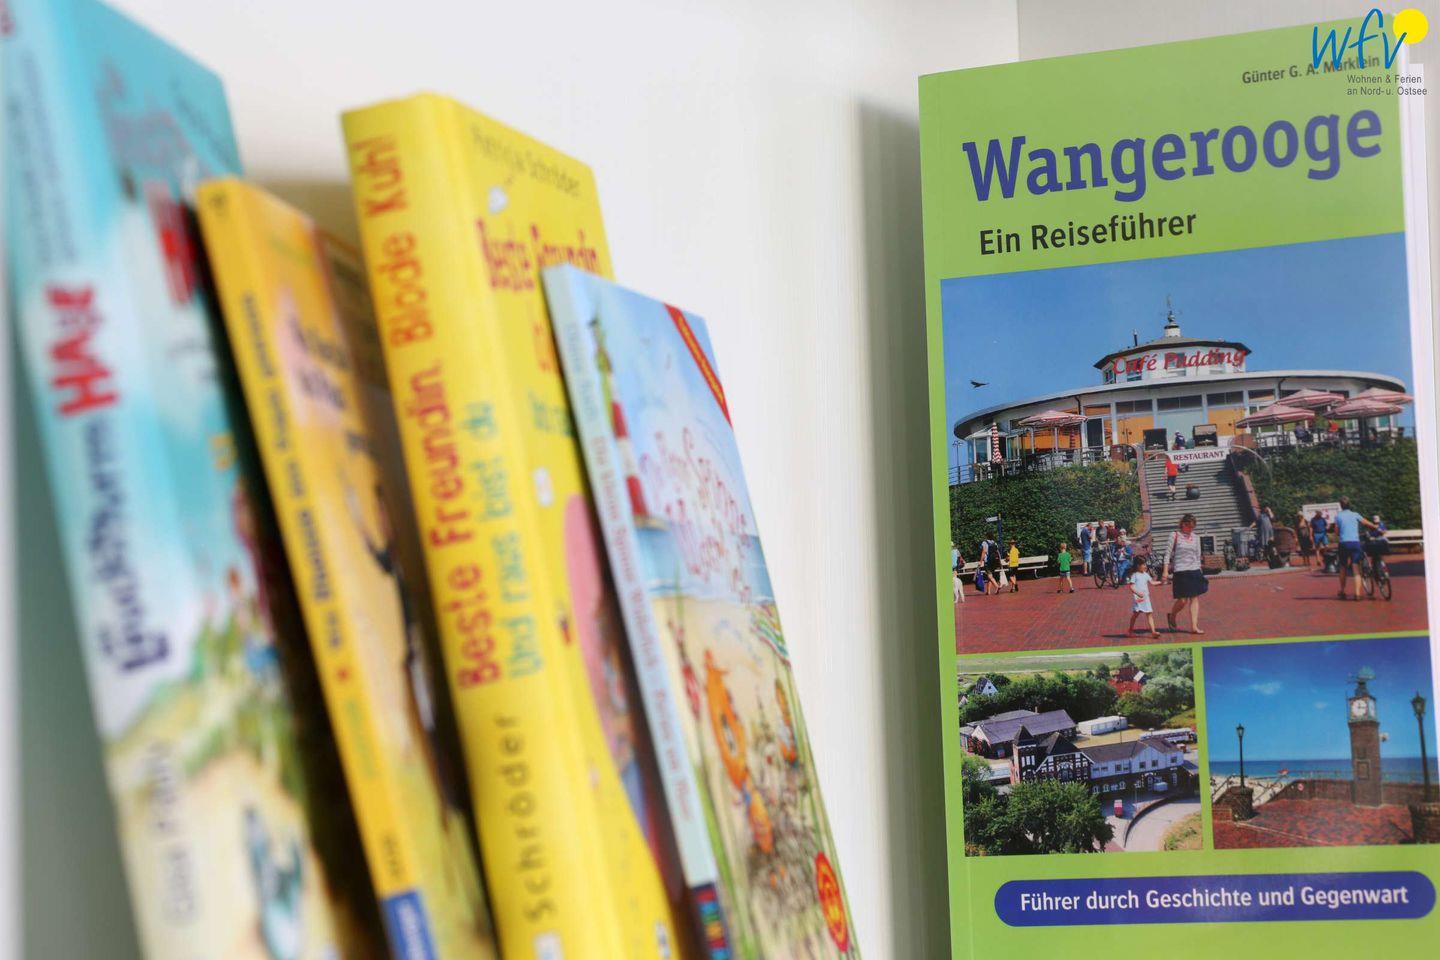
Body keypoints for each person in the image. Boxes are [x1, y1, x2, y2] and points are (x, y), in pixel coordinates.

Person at [1162, 513, 1207, 634]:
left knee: (1194, 598)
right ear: (1183, 524)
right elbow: (1167, 554)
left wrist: (1200, 571)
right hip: (1180, 571)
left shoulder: (1196, 537)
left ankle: (1194, 626)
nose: (1190, 529)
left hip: (1194, 570)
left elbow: (1197, 556)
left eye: (1193, 527)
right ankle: (1172, 616)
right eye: (1189, 526)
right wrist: (1165, 571)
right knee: (1182, 600)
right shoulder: (1175, 535)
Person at [1334, 496, 1381, 601]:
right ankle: (1357, 594)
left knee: (1343, 567)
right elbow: (1366, 522)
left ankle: (1342, 591)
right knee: (1356, 568)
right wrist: (1375, 527)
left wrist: (1342, 532)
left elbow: (1336, 532)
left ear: (1341, 505)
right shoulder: (1355, 514)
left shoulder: (1338, 516)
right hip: (1355, 543)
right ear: (1349, 504)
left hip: (1343, 543)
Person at [1128, 556, 1160, 638]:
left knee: (1149, 614)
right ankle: (1130, 630)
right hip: (1138, 599)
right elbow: (1131, 586)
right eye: (1143, 564)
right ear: (1138, 565)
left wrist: (1161, 582)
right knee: (1135, 614)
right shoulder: (1135, 575)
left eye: (1145, 564)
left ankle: (1153, 632)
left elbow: (1152, 583)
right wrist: (1137, 593)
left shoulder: (1146, 574)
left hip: (1146, 598)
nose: (1145, 566)